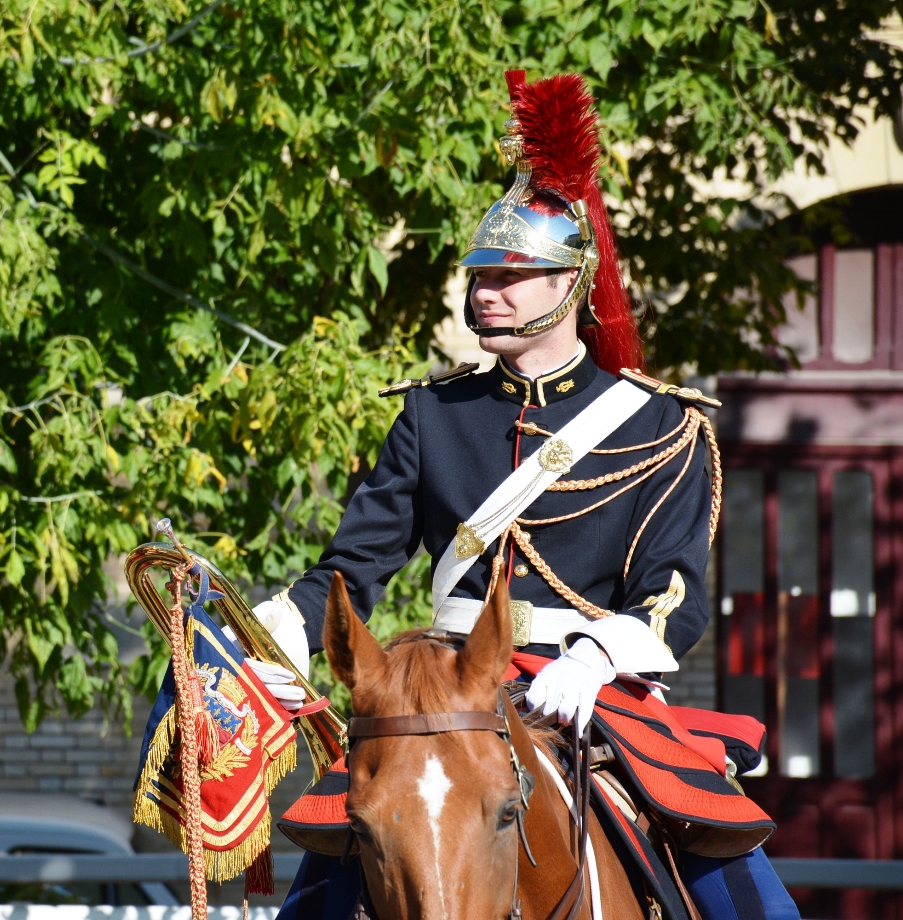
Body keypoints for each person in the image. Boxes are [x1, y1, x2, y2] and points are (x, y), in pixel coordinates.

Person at [256, 70, 799, 920]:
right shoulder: (433, 418)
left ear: (571, 285)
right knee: (328, 874)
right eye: (480, 274)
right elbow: (354, 563)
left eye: (512, 274)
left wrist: (596, 658)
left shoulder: (660, 425)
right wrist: (267, 652)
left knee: (743, 886)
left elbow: (672, 590)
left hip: (591, 692)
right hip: (444, 693)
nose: (485, 291)